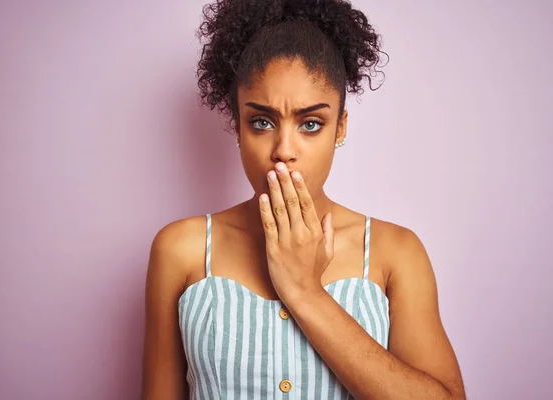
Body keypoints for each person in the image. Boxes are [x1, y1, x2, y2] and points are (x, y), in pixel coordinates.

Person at [141, 0, 465, 398]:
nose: (284, 150)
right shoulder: (181, 249)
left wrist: (305, 291)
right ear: (237, 125)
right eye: (261, 122)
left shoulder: (395, 253)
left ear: (340, 128)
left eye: (311, 124)